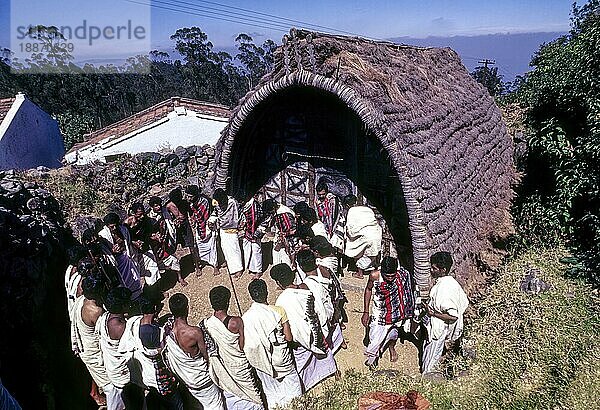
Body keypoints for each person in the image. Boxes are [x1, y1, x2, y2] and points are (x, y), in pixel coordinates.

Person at [271, 264, 337, 391]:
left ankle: (307, 384)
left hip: (302, 340)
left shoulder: (281, 301)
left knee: (301, 366)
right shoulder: (305, 287)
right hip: (317, 331)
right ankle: (332, 371)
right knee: (325, 354)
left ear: (279, 283)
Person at [242, 279, 303, 409]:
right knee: (293, 387)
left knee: (271, 391)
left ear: (251, 296)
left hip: (262, 363)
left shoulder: (245, 319)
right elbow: (288, 337)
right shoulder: (278, 311)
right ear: (267, 292)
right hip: (282, 360)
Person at [202, 286, 264, 409]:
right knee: (254, 396)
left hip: (223, 368)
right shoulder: (236, 322)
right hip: (240, 366)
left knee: (231, 393)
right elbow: (242, 346)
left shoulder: (205, 325)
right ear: (227, 301)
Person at [119, 297, 184, 409]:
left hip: (146, 375)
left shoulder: (134, 322)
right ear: (154, 309)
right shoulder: (154, 332)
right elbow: (162, 350)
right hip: (160, 376)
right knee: (177, 404)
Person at [163, 293, 225, 410]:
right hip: (202, 380)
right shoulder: (194, 333)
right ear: (187, 308)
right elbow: (207, 356)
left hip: (188, 381)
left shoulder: (167, 331)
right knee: (215, 406)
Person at [362, 256, 415, 369]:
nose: (390, 278)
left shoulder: (401, 275)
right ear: (382, 271)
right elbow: (368, 289)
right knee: (374, 338)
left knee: (394, 333)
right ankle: (373, 359)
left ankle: (391, 348)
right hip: (380, 312)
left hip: (395, 313)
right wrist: (366, 311)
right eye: (387, 276)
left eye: (393, 275)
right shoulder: (375, 276)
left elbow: (408, 291)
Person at [422, 251, 469, 376]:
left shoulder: (445, 288)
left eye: (434, 268)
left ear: (443, 270)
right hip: (434, 327)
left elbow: (453, 316)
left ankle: (427, 382)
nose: (431, 270)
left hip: (438, 330)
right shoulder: (450, 283)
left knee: (431, 362)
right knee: (428, 355)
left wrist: (433, 313)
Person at [98, 287, 145, 410]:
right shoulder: (120, 327)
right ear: (123, 305)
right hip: (124, 375)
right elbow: (134, 347)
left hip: (113, 369)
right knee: (135, 401)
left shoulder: (105, 317)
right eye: (128, 302)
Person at [71, 274, 114, 407]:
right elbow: (107, 332)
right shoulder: (95, 311)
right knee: (111, 387)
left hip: (86, 344)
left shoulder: (81, 299)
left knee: (95, 373)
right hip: (93, 351)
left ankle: (94, 392)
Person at [99, 213, 143, 300]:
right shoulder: (103, 235)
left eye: (116, 226)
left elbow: (128, 242)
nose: (114, 228)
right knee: (123, 282)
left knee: (134, 278)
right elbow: (104, 252)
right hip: (116, 263)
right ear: (107, 226)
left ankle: (137, 296)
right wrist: (112, 251)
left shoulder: (123, 230)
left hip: (127, 258)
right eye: (111, 227)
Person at [148, 196, 187, 287]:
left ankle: (180, 277)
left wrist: (174, 224)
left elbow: (170, 222)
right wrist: (155, 237)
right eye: (156, 206)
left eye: (159, 205)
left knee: (174, 259)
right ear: (152, 207)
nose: (158, 207)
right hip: (156, 244)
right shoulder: (149, 218)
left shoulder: (164, 211)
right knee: (157, 263)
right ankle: (162, 284)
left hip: (166, 240)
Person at [344, 198, 383, 278]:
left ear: (347, 205)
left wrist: (349, 235)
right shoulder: (366, 209)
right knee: (372, 252)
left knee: (357, 250)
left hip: (365, 235)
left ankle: (360, 273)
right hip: (375, 232)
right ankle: (372, 271)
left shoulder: (351, 211)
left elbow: (350, 227)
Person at [124, 202, 161, 287]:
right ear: (133, 213)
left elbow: (149, 233)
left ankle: (155, 289)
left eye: (143, 214)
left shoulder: (146, 220)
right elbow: (125, 239)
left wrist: (154, 237)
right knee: (136, 271)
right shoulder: (127, 223)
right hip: (133, 251)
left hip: (145, 247)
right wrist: (134, 243)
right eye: (139, 215)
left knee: (153, 267)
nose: (142, 216)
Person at [185, 185, 219, 276]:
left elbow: (212, 212)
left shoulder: (205, 201)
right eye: (187, 196)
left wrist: (211, 221)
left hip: (208, 224)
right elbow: (192, 214)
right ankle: (202, 263)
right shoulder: (190, 203)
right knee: (200, 246)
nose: (188, 198)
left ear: (195, 195)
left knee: (212, 246)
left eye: (190, 196)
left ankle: (215, 266)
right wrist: (193, 219)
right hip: (199, 227)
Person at [211, 189, 245, 279]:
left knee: (234, 249)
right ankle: (232, 268)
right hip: (223, 229)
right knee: (226, 249)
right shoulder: (216, 202)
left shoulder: (232, 202)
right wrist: (212, 220)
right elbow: (215, 212)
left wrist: (240, 225)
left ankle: (239, 269)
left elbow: (239, 213)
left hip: (232, 229)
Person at [166, 188, 201, 270]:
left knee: (191, 246)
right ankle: (178, 269)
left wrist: (193, 219)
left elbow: (191, 212)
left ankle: (197, 266)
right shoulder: (169, 206)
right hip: (176, 228)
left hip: (185, 225)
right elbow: (166, 217)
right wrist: (173, 222)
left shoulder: (184, 203)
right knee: (173, 248)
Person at [262, 199, 296, 268]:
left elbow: (293, 230)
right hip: (281, 238)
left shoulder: (284, 214)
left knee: (285, 259)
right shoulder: (278, 210)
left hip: (288, 241)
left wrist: (283, 236)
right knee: (277, 256)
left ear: (273, 208)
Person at [314, 180, 344, 251]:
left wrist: (332, 230)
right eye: (319, 194)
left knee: (336, 244)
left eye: (323, 194)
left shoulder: (333, 199)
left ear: (326, 192)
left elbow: (335, 215)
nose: (321, 196)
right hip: (325, 226)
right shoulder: (318, 201)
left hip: (335, 226)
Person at [240, 194, 264, 278]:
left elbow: (262, 218)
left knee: (256, 250)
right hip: (247, 231)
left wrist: (258, 232)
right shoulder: (244, 206)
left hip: (256, 231)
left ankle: (258, 270)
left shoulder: (255, 206)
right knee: (247, 250)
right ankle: (251, 267)